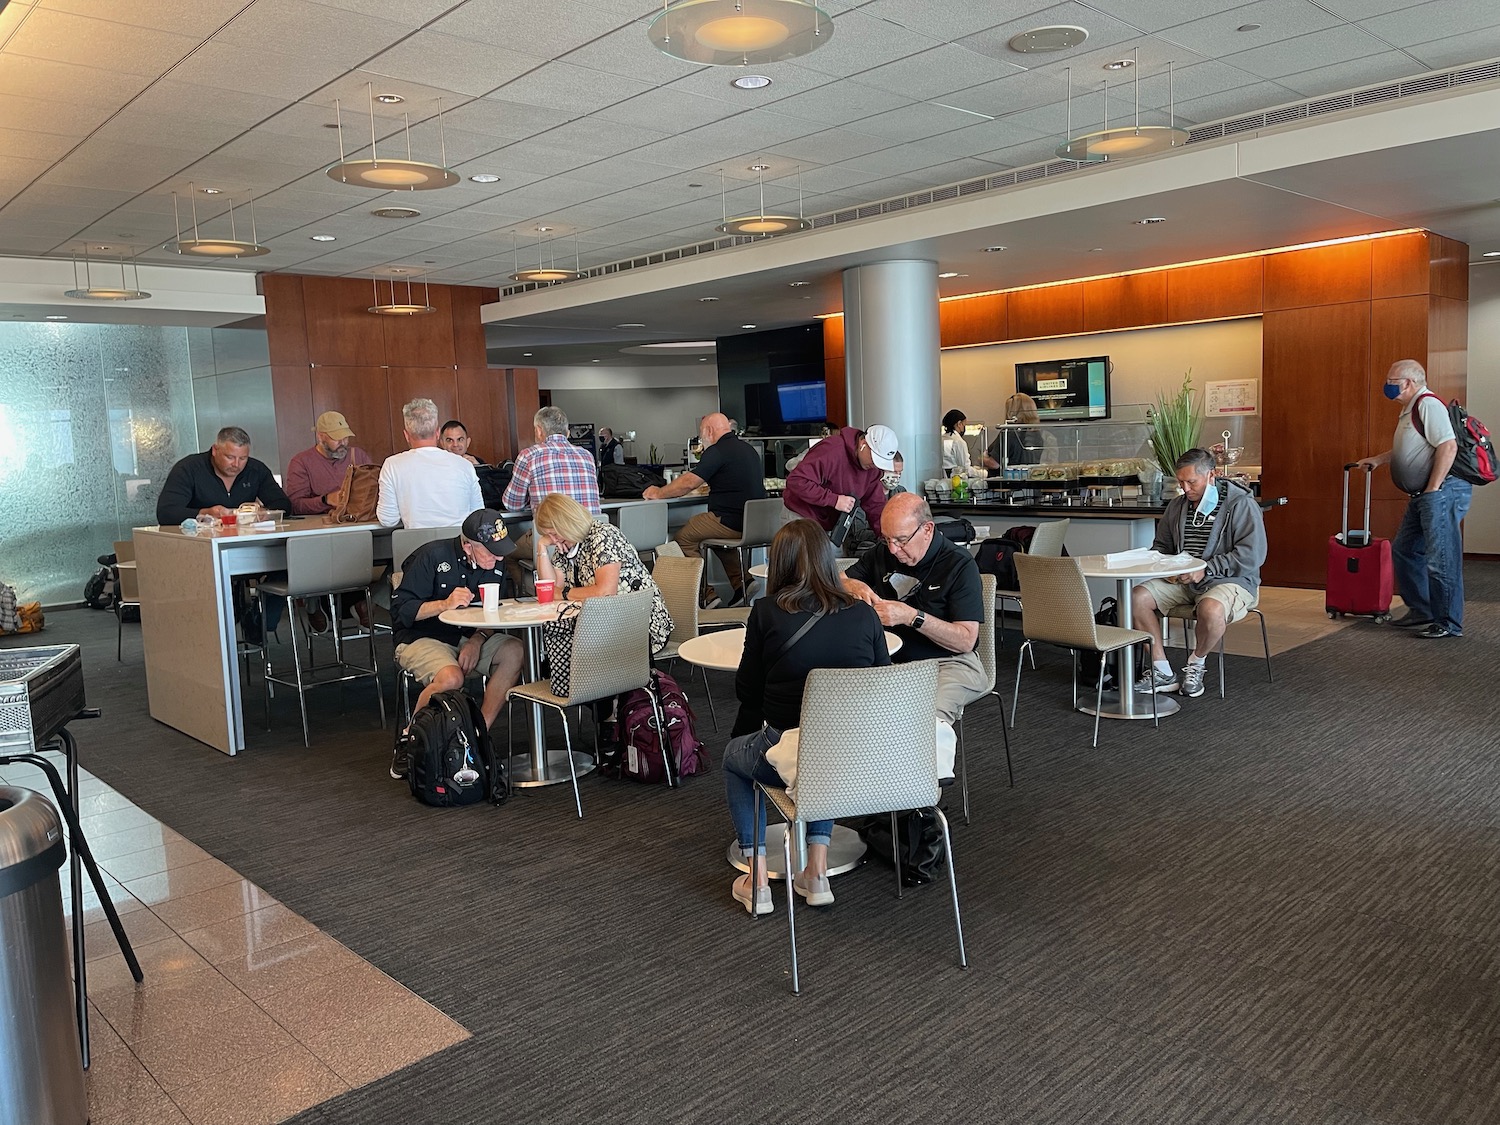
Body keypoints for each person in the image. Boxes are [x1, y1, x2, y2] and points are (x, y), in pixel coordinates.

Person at [723, 519, 890, 914]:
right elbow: (882, 686)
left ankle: (758, 877)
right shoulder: (864, 615)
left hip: (790, 750)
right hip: (856, 758)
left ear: (778, 564)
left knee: (735, 758)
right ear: (827, 560)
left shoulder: (765, 613)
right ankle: (816, 872)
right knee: (826, 745)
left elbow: (747, 692)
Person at [389, 509, 526, 780]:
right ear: (468, 545)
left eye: (501, 551)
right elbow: (401, 611)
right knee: (451, 677)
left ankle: (476, 735)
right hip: (422, 636)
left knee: (515, 650)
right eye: (491, 552)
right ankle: (411, 739)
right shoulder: (432, 556)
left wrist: (477, 640)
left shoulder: (495, 564)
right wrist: (444, 604)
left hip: (469, 635)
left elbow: (495, 611)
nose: (499, 558)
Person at [1131, 448, 1268, 698]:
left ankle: (1196, 663)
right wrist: (1167, 567)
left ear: (1211, 475)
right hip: (1184, 580)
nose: (1185, 488)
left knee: (1211, 609)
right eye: (1181, 482)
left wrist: (1205, 568)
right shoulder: (1177, 506)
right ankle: (1162, 671)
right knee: (1137, 597)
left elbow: (1252, 556)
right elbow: (1161, 547)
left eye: (1191, 482)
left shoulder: (1241, 505)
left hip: (1231, 580)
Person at [842, 492, 986, 726]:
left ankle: (925, 762)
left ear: (927, 529)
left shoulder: (959, 564)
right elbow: (833, 581)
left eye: (901, 540)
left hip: (948, 663)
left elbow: (966, 641)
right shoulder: (882, 553)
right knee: (841, 708)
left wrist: (912, 617)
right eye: (886, 539)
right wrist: (850, 583)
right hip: (887, 661)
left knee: (926, 722)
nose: (893, 549)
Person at [1357, 359, 1472, 639]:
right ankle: (1423, 610)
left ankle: (1448, 622)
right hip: (1423, 495)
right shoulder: (1411, 409)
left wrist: (1433, 488)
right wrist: (1380, 460)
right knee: (1405, 550)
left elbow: (1448, 446)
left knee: (1441, 558)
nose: (1387, 385)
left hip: (1439, 493)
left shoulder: (1428, 405)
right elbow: (1413, 447)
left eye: (1391, 380)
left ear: (1408, 382)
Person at [532, 493, 672, 697]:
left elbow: (606, 592)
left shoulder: (603, 536)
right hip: (603, 625)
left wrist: (563, 593)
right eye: (549, 536)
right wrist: (542, 548)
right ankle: (604, 712)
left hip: (640, 625)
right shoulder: (565, 544)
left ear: (568, 523)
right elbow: (551, 587)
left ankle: (607, 714)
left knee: (572, 659)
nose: (554, 540)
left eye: (554, 534)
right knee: (564, 658)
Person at [645, 412, 766, 607]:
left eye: (701, 434)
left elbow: (688, 482)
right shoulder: (748, 449)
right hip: (753, 523)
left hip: (729, 520)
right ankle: (742, 583)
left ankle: (706, 594)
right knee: (717, 541)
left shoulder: (717, 450)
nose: (701, 438)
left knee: (682, 539)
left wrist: (659, 493)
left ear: (709, 431)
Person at [502, 406, 602, 588]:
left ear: (539, 431)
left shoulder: (529, 455)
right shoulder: (587, 455)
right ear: (568, 432)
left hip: (553, 537)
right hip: (590, 537)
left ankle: (533, 597)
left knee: (508, 555)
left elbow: (512, 504)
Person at [377, 398, 483, 529]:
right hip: (458, 545)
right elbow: (478, 514)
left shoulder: (392, 465)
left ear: (406, 435)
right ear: (438, 433)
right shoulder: (464, 465)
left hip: (415, 546)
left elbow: (388, 520)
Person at [157, 426, 292, 525]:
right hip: (198, 542)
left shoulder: (256, 470)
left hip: (246, 539)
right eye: (230, 457)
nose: (236, 464)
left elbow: (284, 505)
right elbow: (166, 512)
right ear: (215, 450)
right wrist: (205, 513)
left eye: (243, 458)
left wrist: (264, 512)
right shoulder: (188, 468)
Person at [784, 422, 899, 534]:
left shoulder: (872, 469)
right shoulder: (832, 450)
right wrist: (834, 500)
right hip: (801, 517)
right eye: (875, 459)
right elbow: (797, 481)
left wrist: (888, 536)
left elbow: (875, 505)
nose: (875, 465)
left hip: (831, 526)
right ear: (863, 443)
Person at [284, 411, 373, 516]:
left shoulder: (358, 455)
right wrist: (326, 500)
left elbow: (375, 491)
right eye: (336, 438)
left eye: (345, 437)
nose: (343, 443)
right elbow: (295, 506)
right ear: (320, 437)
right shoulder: (301, 462)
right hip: (319, 527)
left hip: (358, 521)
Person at [984, 393, 1045, 470]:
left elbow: (994, 464)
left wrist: (982, 459)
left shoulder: (1008, 432)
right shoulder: (1036, 434)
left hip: (1008, 479)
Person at [941, 409, 972, 474]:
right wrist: (983, 473)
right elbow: (965, 468)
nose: (964, 428)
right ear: (959, 424)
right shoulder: (959, 442)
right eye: (964, 424)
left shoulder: (941, 439)